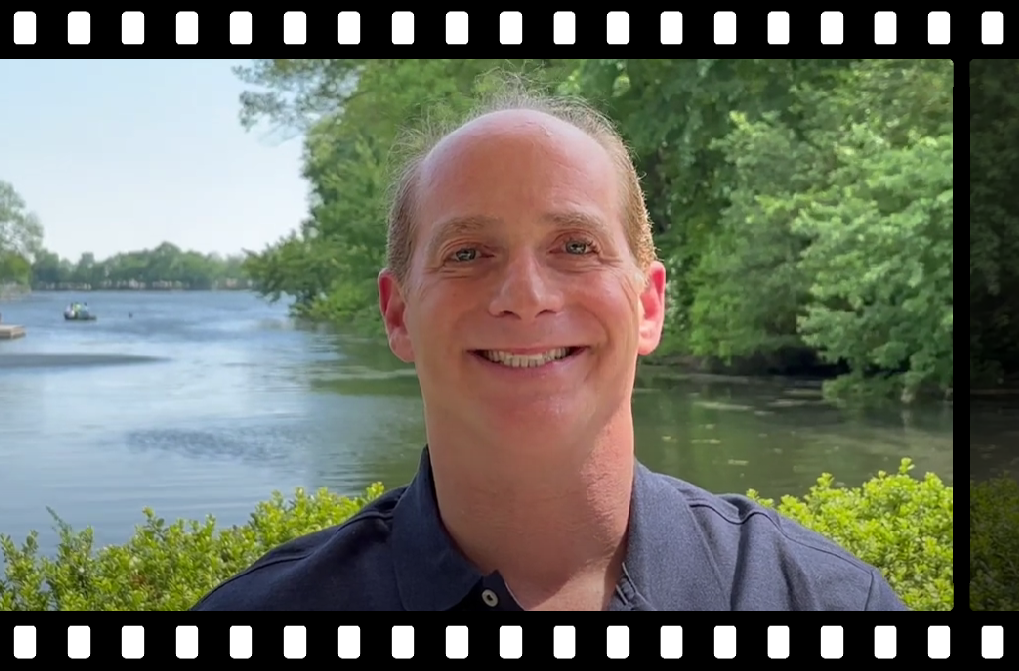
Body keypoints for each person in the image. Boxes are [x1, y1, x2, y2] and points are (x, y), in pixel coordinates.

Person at [190, 87, 908, 611]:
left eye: (575, 246)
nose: (525, 296)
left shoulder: (824, 600)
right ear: (399, 314)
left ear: (648, 305)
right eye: (467, 253)